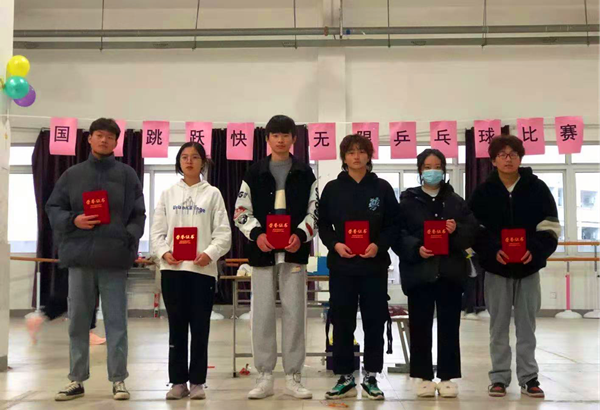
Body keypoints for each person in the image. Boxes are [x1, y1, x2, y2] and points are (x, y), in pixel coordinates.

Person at [46, 118, 146, 402]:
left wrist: (127, 238)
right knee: (78, 322)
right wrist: (73, 220)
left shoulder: (127, 175)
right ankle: (76, 379)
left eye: (110, 137)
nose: (104, 140)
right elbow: (53, 207)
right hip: (80, 259)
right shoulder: (72, 175)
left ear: (116, 142)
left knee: (116, 323)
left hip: (114, 259)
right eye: (99, 135)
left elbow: (138, 214)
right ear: (89, 138)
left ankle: (119, 380)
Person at [234, 115, 318, 400]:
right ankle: (264, 375)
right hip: (262, 253)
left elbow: (315, 211)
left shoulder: (305, 172)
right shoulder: (254, 172)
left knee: (295, 314)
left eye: (286, 135)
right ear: (267, 139)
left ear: (294, 139)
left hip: (294, 253)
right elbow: (241, 211)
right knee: (262, 314)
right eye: (275, 135)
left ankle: (294, 375)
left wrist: (301, 234)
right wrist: (257, 234)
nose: (280, 140)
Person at [469, 135, 560, 399]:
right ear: (493, 160)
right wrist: (491, 252)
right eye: (502, 154)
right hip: (497, 270)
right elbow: (475, 230)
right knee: (497, 326)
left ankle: (529, 378)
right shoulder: (483, 192)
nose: (508, 159)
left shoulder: (537, 188)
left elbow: (550, 227)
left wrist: (536, 250)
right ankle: (499, 377)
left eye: (513, 154)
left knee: (526, 326)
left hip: (528, 269)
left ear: (521, 158)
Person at [392, 149, 478, 398]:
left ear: (444, 169)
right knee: (420, 326)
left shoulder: (456, 201)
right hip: (420, 273)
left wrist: (456, 229)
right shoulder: (408, 201)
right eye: (427, 167)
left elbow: (472, 231)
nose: (433, 171)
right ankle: (424, 377)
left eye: (437, 166)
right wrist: (416, 248)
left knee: (450, 327)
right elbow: (397, 235)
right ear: (420, 170)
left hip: (450, 273)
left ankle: (448, 377)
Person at [318, 134, 398, 401]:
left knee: (375, 321)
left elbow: (393, 225)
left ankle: (372, 375)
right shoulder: (332, 188)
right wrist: (335, 244)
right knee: (342, 321)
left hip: (374, 266)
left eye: (361, 151)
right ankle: (345, 376)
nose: (356, 156)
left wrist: (378, 245)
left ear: (369, 155)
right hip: (342, 266)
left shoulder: (382, 188)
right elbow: (323, 225)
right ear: (344, 157)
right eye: (351, 152)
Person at [151, 142, 231, 400]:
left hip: (202, 272)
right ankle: (177, 382)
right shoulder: (168, 194)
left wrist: (209, 253)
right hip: (173, 271)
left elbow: (223, 233)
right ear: (179, 162)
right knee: (176, 328)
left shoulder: (213, 194)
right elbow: (156, 232)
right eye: (184, 157)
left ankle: (197, 382)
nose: (189, 161)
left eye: (195, 157)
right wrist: (165, 252)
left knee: (200, 328)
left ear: (203, 162)